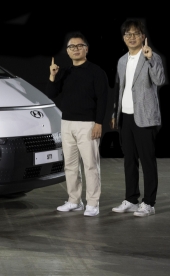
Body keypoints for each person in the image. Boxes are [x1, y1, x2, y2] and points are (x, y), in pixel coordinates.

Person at [46, 32, 108, 217]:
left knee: (90, 165)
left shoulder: (96, 72)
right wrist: (52, 75)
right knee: (70, 165)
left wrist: (98, 123)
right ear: (67, 51)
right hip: (66, 123)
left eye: (79, 46)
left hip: (87, 124)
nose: (76, 49)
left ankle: (92, 203)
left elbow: (103, 99)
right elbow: (51, 93)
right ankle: (74, 201)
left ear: (86, 49)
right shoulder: (64, 72)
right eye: (72, 47)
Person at [110, 19, 165, 217]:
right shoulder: (122, 60)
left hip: (144, 117)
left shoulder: (151, 56)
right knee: (129, 161)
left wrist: (151, 59)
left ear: (143, 36)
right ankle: (131, 199)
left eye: (135, 34)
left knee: (147, 161)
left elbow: (160, 80)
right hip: (125, 117)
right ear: (124, 38)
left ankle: (149, 203)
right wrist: (115, 112)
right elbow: (120, 89)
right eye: (128, 34)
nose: (131, 37)